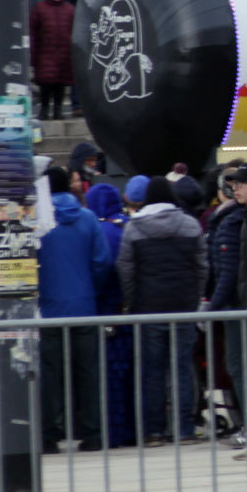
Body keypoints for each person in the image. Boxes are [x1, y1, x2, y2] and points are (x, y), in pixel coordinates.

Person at [118, 175, 207, 445]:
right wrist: (195, 295)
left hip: (148, 308)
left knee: (152, 370)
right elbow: (202, 266)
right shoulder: (190, 224)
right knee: (182, 367)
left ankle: (154, 431)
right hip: (183, 307)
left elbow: (126, 269)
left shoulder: (134, 227)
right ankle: (185, 429)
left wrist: (131, 301)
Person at [40, 165, 113, 452]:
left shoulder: (36, 222)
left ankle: (49, 435)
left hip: (48, 311)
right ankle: (93, 433)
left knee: (50, 375)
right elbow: (102, 261)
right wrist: (90, 289)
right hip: (84, 306)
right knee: (88, 373)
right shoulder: (88, 217)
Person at [209, 162, 247, 446]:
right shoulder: (241, 218)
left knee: (246, 366)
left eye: (241, 183)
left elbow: (232, 270)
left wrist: (213, 306)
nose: (235, 188)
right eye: (232, 184)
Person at [84, 181, 137, 448]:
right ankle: (135, 428)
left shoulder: (99, 230)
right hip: (132, 310)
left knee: (110, 377)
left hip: (106, 310)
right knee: (132, 374)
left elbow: (99, 270)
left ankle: (113, 432)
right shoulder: (129, 226)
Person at [30, 0, 77, 121]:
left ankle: (58, 109)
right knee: (45, 83)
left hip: (64, 54)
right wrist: (33, 55)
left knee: (61, 84)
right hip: (45, 54)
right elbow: (33, 32)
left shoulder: (70, 10)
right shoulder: (40, 9)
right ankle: (44, 109)